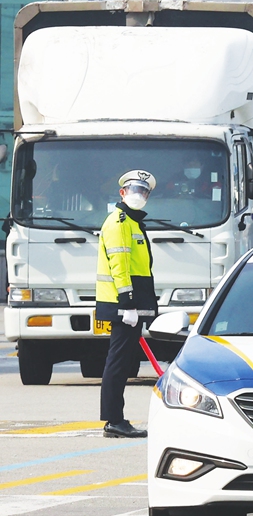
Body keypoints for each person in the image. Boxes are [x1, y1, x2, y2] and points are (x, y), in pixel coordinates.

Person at [96, 171, 159, 439]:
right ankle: (114, 420)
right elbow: (119, 267)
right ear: (121, 193)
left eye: (143, 192)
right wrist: (128, 304)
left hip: (130, 305)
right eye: (134, 190)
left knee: (121, 361)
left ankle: (115, 419)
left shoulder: (132, 222)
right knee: (118, 363)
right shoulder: (119, 222)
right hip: (124, 305)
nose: (139, 195)